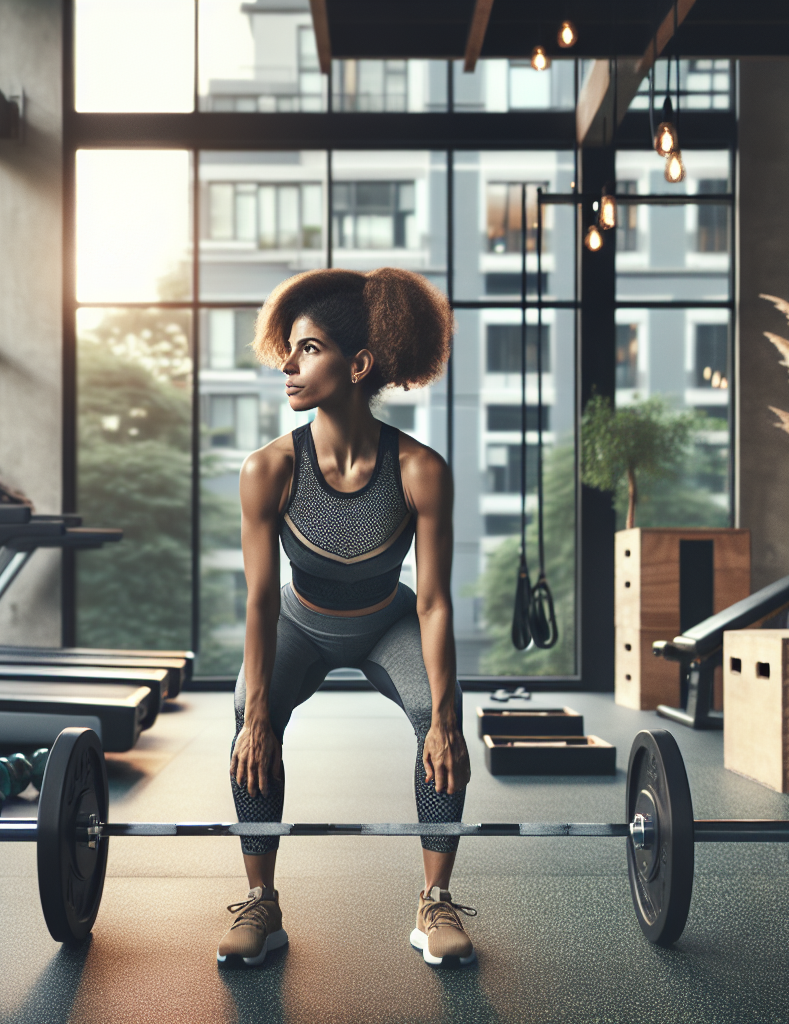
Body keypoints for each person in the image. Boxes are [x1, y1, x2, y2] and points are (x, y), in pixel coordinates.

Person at [216, 267, 474, 969]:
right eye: (289, 349)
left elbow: (433, 601)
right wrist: (261, 712)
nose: (287, 366)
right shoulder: (269, 469)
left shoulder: (419, 470)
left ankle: (436, 900)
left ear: (358, 365)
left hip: (386, 622)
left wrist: (446, 718)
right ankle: (260, 902)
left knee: (438, 713)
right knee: (247, 711)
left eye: (308, 350)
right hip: (299, 621)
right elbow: (263, 600)